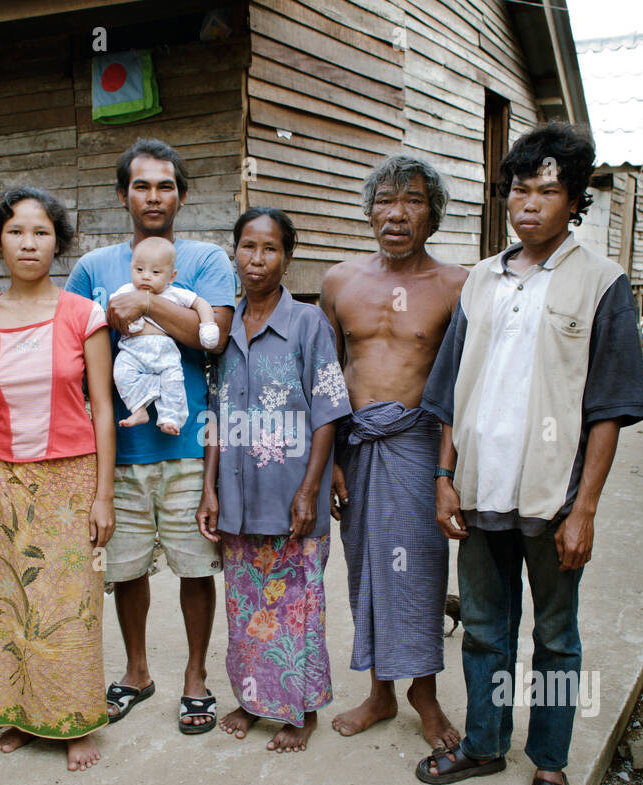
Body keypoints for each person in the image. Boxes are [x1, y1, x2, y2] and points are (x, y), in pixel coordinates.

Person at [418, 123, 643, 785]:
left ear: (574, 202)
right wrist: (445, 477)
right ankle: (486, 742)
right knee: (486, 629)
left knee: (555, 636)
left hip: (553, 498)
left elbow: (609, 407)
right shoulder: (482, 280)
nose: (530, 204)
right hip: (481, 489)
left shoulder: (603, 284)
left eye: (548, 191)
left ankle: (549, 763)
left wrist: (585, 509)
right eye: (520, 189)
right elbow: (454, 388)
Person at [65, 138, 235, 733]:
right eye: (142, 185)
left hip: (190, 444)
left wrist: (141, 302)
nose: (154, 196)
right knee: (125, 569)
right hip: (121, 446)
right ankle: (137, 671)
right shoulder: (92, 267)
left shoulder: (208, 259)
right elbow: (77, 345)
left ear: (182, 195)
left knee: (195, 567)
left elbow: (209, 335)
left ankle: (195, 675)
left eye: (166, 185)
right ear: (122, 194)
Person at [0, 187, 116, 772]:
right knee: (11, 603)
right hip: (4, 480)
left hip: (73, 482)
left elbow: (102, 404)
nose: (29, 243)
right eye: (17, 231)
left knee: (73, 604)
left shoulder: (83, 314)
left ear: (58, 243)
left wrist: (103, 495)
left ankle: (74, 721)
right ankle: (22, 715)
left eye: (42, 232)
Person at [320, 156, 468, 751]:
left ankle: (424, 693)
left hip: (416, 446)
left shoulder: (458, 286)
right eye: (385, 200)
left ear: (432, 215)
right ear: (369, 210)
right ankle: (381, 691)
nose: (397, 213)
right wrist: (329, 456)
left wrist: (445, 473)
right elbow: (327, 376)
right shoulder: (339, 282)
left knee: (422, 573)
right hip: (357, 447)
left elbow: (460, 386)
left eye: (412, 200)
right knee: (367, 571)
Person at [197, 208, 351, 753]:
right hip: (238, 496)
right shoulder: (223, 328)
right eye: (247, 247)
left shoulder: (309, 325)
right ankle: (254, 698)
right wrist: (210, 488)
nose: (257, 260)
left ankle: (301, 710)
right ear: (233, 251)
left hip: (289, 493)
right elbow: (215, 415)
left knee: (297, 603)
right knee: (245, 603)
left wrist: (310, 488)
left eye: (269, 249)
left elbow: (329, 412)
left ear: (287, 256)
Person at [112, 235, 220, 434]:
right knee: (121, 372)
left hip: (165, 354)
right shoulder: (126, 292)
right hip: (132, 353)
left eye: (155, 272)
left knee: (173, 383)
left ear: (171, 276)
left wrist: (208, 326)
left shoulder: (174, 293)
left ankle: (170, 419)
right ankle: (138, 408)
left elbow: (200, 303)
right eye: (139, 270)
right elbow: (113, 310)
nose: (145, 276)